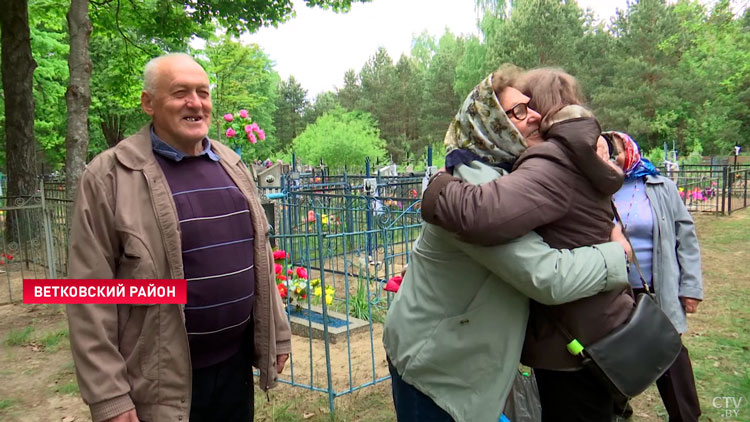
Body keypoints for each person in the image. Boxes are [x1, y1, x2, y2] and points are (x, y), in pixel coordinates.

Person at [383, 65, 632, 422]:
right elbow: (546, 276)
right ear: (489, 123)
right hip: (435, 370)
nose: (535, 117)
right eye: (517, 111)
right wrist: (617, 255)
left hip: (456, 356)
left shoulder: (507, 176)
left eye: (531, 106)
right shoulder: (478, 184)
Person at [66, 53, 291, 422]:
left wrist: (277, 334)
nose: (195, 103)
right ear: (148, 103)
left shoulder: (231, 164)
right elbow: (89, 292)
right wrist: (110, 396)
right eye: (180, 92)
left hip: (234, 372)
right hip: (159, 385)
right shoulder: (110, 176)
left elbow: (260, 258)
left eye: (203, 92)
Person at [606, 131, 703, 421]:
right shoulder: (597, 188)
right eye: (606, 152)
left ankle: (685, 415)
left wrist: (691, 287)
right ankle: (617, 411)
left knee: (669, 352)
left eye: (617, 151)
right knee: (618, 354)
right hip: (615, 290)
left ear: (632, 151)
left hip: (658, 287)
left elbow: (686, 239)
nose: (612, 158)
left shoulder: (661, 186)